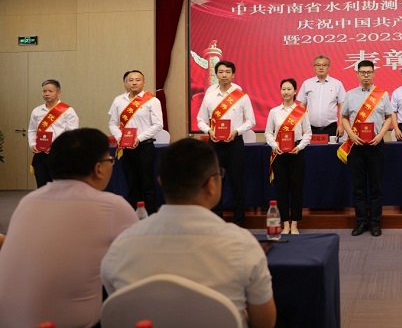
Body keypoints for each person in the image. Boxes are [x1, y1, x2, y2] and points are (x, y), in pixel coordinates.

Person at [102, 138, 276, 328]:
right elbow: (265, 323)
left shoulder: (121, 246)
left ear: (161, 182)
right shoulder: (243, 245)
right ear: (211, 185)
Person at [0, 128, 137, 327]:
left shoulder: (28, 201)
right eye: (110, 160)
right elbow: (137, 267)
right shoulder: (112, 206)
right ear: (99, 169)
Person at [338, 60, 393, 237]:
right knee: (359, 186)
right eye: (363, 72)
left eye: (369, 72)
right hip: (356, 146)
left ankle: (375, 222)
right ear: (357, 74)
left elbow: (389, 117)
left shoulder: (382, 94)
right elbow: (344, 117)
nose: (366, 75)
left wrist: (381, 135)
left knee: (376, 186)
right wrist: (351, 135)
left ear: (374, 73)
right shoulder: (350, 95)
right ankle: (361, 222)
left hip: (376, 145)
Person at [197, 60, 256, 226]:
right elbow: (200, 120)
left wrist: (237, 131)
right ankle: (216, 220)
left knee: (237, 183)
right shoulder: (209, 96)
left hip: (235, 144)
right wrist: (209, 131)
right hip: (214, 143)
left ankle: (239, 222)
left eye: (228, 72)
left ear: (233, 74)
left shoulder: (241, 96)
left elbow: (251, 121)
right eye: (221, 72)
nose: (224, 75)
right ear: (216, 74)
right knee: (215, 183)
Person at [108, 69, 163, 214]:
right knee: (131, 183)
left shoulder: (152, 101)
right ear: (125, 83)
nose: (134, 83)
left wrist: (139, 138)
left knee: (147, 184)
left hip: (144, 147)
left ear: (144, 82)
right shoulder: (118, 100)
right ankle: (132, 215)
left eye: (138, 80)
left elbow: (158, 125)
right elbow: (112, 123)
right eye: (130, 80)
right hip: (125, 147)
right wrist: (120, 138)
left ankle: (151, 214)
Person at [264, 78, 312, 234]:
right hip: (279, 154)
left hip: (296, 153)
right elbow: (268, 133)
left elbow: (308, 133)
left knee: (296, 189)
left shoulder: (301, 112)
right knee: (281, 189)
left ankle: (295, 224)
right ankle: (285, 223)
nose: (286, 92)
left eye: (289, 89)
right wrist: (275, 146)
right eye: (283, 89)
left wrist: (299, 147)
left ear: (295, 91)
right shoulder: (274, 112)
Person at [27, 78, 79, 188]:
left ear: (58, 92)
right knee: (42, 186)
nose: (46, 94)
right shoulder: (36, 111)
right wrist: (32, 144)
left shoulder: (68, 111)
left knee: (60, 187)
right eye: (44, 91)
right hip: (40, 154)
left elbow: (72, 135)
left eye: (50, 91)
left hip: (59, 155)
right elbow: (32, 130)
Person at [298, 55, 346, 138]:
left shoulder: (337, 84)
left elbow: (342, 105)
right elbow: (302, 105)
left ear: (328, 67)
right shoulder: (307, 83)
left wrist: (341, 125)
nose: (321, 67)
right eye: (318, 65)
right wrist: (301, 125)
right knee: (309, 147)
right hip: (310, 128)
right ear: (314, 67)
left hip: (331, 128)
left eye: (324, 65)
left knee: (331, 147)